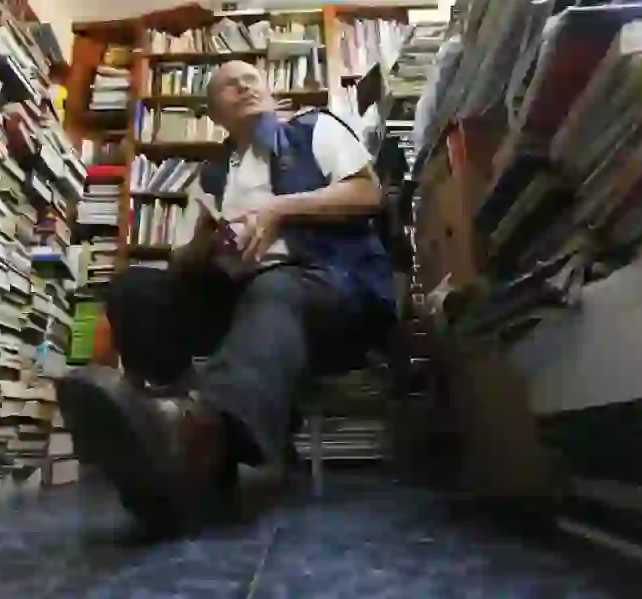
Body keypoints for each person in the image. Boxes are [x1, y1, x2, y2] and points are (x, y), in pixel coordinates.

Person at [58, 60, 395, 530]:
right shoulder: (210, 177)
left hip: (334, 290)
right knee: (135, 289)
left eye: (252, 78)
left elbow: (367, 193)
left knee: (276, 287)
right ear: (214, 113)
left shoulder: (315, 130)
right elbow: (180, 261)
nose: (243, 85)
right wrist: (206, 247)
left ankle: (198, 447)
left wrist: (281, 209)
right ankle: (180, 432)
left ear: (271, 92)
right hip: (245, 302)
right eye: (228, 85)